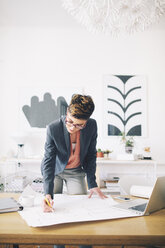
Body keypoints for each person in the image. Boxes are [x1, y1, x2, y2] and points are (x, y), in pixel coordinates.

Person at [41, 94, 107, 213]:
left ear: (86, 121)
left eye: (79, 125)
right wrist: (47, 193)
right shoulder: (53, 128)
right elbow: (48, 160)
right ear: (67, 112)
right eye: (70, 121)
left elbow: (91, 155)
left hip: (75, 171)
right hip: (55, 170)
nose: (72, 127)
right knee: (52, 202)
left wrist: (92, 183)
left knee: (80, 204)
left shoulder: (92, 126)